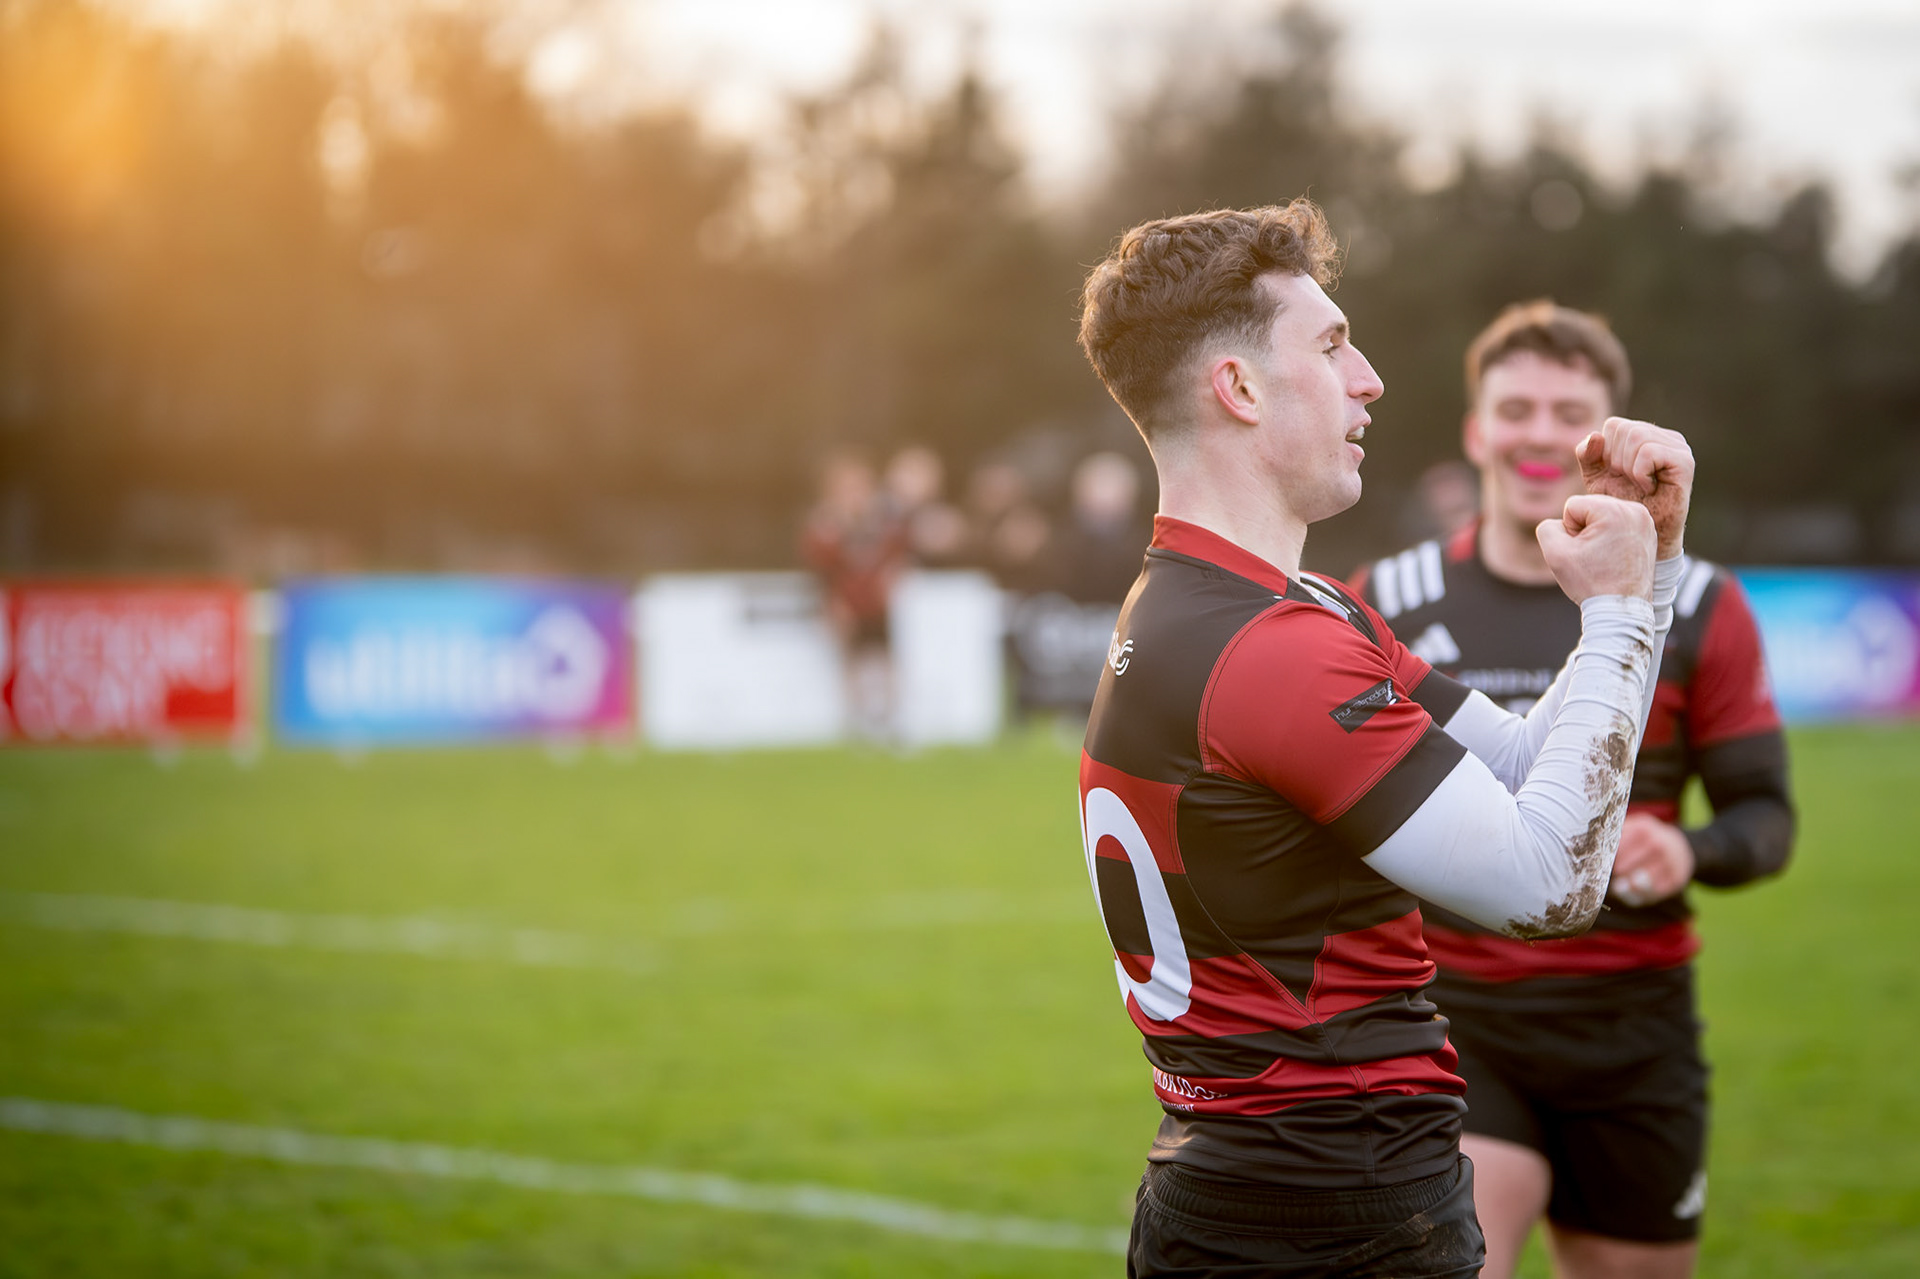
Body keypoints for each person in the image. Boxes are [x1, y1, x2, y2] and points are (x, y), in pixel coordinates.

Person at [1075, 201, 1695, 1277]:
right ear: (1239, 389)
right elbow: (1547, 882)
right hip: (1335, 1216)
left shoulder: (1261, 607)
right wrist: (1618, 614)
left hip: (1246, 1188)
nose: (1368, 380)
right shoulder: (1273, 650)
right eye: (1330, 344)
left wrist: (1654, 577)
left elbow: (1517, 764)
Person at [1349, 301, 1794, 1279]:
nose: (1541, 433)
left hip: (1635, 1021)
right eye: (1515, 408)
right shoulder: (1390, 594)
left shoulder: (1700, 600)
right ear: (1475, 430)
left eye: (1569, 412)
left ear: (1617, 434)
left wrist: (1692, 850)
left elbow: (1768, 816)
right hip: (1455, 1016)